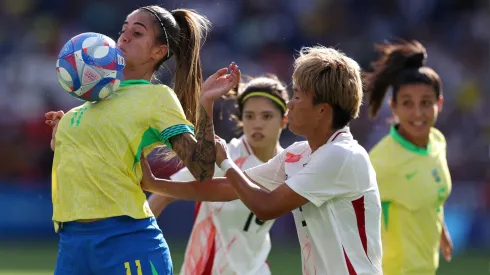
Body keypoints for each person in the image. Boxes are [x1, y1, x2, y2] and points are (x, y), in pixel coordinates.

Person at [142, 45, 383, 275]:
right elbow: (227, 188)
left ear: (323, 110)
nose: (291, 104)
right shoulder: (299, 153)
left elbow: (266, 207)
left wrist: (225, 163)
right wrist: (153, 183)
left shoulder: (342, 155)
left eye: (297, 97)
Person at [45, 5, 240, 275]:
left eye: (137, 33)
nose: (124, 37)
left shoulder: (156, 97)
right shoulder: (85, 103)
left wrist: (205, 103)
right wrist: (62, 133)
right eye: (123, 30)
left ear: (158, 52)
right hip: (72, 245)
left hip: (127, 241)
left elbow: (202, 169)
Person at [149, 75, 289, 275]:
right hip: (209, 268)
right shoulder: (223, 156)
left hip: (256, 269)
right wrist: (136, 239)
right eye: (249, 116)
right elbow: (163, 194)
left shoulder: (288, 165)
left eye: (266, 116)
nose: (257, 124)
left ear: (284, 119)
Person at [365, 40, 453, 275]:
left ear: (439, 104)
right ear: (394, 107)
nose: (417, 113)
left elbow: (429, 195)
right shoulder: (382, 161)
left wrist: (441, 231)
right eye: (407, 104)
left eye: (426, 103)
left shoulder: (437, 142)